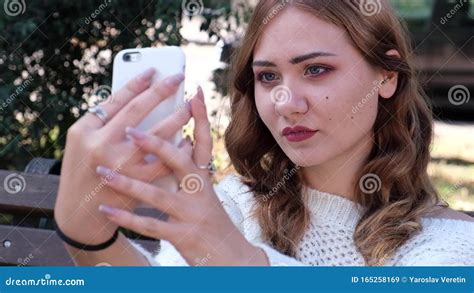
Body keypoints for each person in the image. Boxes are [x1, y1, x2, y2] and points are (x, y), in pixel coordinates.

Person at [54, 0, 474, 266]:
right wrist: (89, 238)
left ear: (386, 76)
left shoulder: (449, 245)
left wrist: (228, 254)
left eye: (316, 69)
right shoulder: (235, 204)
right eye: (268, 76)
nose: (286, 101)